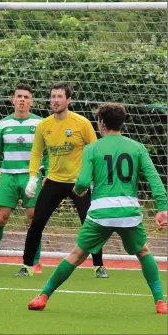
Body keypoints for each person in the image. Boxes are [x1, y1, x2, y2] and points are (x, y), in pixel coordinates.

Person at [28, 103, 167, 314]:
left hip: (101, 214)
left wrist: (78, 189)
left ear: (101, 123)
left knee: (76, 255)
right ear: (122, 123)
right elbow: (155, 179)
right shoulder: (137, 147)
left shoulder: (92, 148)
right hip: (128, 214)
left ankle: (43, 296)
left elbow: (83, 182)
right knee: (143, 252)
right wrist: (163, 207)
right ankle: (160, 302)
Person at [17, 83, 106, 277]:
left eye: (59, 97)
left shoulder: (81, 123)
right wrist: (33, 177)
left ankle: (99, 266)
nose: (55, 100)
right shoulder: (44, 125)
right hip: (53, 181)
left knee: (89, 222)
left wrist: (93, 179)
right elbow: (36, 152)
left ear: (68, 100)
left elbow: (95, 152)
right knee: (37, 221)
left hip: (78, 183)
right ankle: (27, 266)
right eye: (53, 97)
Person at [0, 84, 44, 273]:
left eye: (26, 97)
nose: (23, 100)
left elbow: (47, 152)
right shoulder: (2, 125)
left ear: (31, 102)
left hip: (32, 176)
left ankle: (35, 261)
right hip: (8, 176)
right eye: (19, 96)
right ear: (13, 100)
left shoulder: (41, 123)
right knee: (1, 218)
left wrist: (47, 174)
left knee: (34, 218)